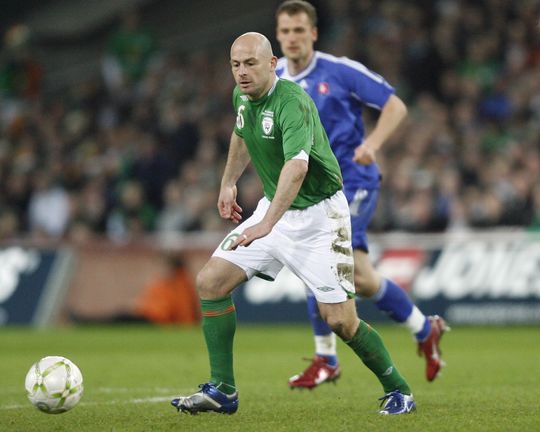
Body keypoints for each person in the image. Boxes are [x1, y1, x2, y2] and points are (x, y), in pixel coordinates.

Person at [171, 32, 415, 415]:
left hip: (321, 217)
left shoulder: (292, 101)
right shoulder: (242, 96)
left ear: (272, 64)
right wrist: (228, 182)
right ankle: (222, 390)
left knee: (340, 321)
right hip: (275, 210)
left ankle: (399, 389)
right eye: (235, 65)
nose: (242, 72)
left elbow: (297, 166)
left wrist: (267, 222)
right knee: (211, 282)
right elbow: (240, 134)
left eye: (250, 63)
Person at [274, 0, 448, 390]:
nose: (291, 38)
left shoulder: (340, 70)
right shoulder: (276, 78)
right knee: (364, 279)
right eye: (285, 31)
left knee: (321, 257)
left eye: (299, 30)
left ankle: (326, 358)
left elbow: (395, 105)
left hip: (353, 182)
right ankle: (425, 328)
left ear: (313, 33)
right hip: (311, 189)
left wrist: (373, 142)